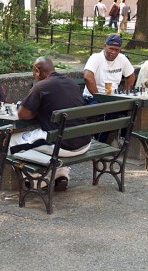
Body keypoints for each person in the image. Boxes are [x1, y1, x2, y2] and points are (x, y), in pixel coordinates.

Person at [9, 57, 92, 191]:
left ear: (37, 70)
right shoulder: (72, 83)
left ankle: (36, 179)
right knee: (47, 138)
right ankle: (61, 174)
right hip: (84, 142)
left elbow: (22, 114)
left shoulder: (41, 87)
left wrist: (36, 111)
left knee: (11, 140)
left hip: (64, 147)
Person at [82, 34, 135, 100]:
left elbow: (131, 76)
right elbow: (87, 76)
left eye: (116, 50)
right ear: (104, 46)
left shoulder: (122, 58)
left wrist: (125, 93)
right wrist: (99, 98)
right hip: (92, 97)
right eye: (111, 49)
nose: (113, 52)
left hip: (113, 96)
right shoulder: (96, 57)